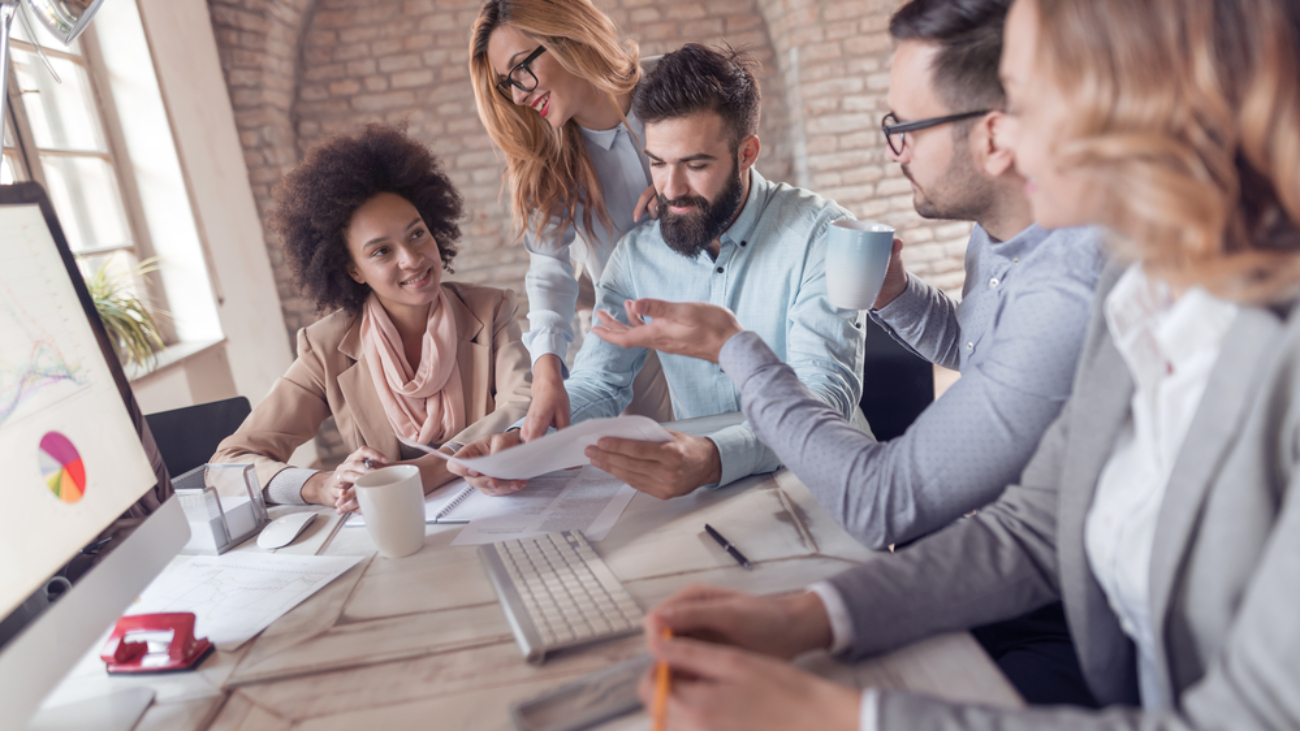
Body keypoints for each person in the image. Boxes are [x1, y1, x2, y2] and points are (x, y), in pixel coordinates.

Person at [634, 0, 1300, 727]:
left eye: (1026, 102)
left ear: (1152, 101)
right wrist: (812, 615)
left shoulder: (1111, 288)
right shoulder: (1140, 284)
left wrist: (844, 717)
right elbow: (1034, 527)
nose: (1003, 146)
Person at [591, 0, 1104, 707]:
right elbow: (988, 358)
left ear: (993, 138)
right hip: (997, 564)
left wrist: (731, 346)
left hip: (1072, 624)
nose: (893, 151)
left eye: (905, 128)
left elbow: (883, 499)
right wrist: (897, 295)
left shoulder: (1073, 283)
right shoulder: (996, 238)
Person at [451, 44, 865, 500]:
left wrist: (715, 457)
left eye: (697, 164)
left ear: (747, 153)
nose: (671, 189)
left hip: (823, 483)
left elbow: (823, 401)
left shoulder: (822, 235)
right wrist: (526, 442)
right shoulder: (635, 257)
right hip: (708, 496)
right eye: (658, 163)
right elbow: (599, 382)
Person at [212, 124, 532, 513]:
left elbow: (523, 407)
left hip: (501, 511)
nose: (412, 260)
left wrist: (429, 470)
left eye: (416, 234)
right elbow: (228, 464)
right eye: (381, 251)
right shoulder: (326, 349)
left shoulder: (491, 309)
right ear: (353, 270)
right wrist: (321, 485)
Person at [469, 0, 673, 442]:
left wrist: (689, 181)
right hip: (635, 336)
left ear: (567, 34)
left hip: (726, 305)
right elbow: (548, 272)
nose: (519, 94)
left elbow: (740, 168)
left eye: (521, 69)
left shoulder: (673, 83)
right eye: (507, 85)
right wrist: (547, 374)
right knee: (672, 463)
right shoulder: (549, 162)